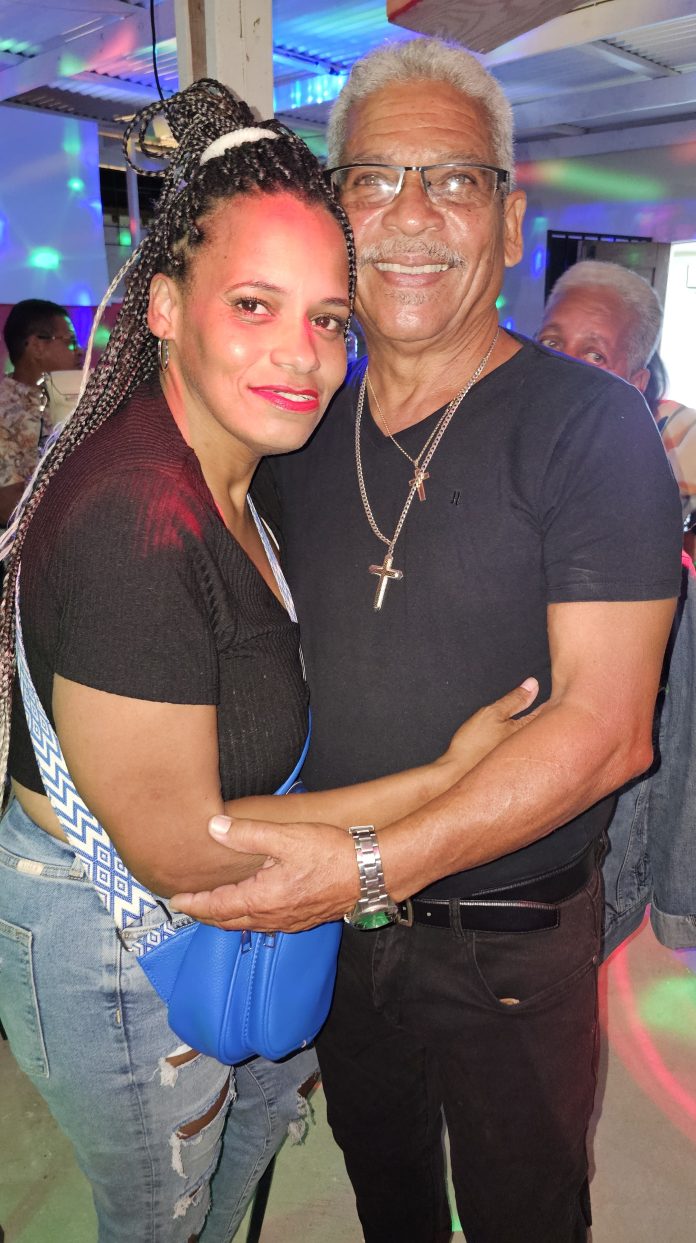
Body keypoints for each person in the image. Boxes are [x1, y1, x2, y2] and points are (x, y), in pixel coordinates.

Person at [0, 78, 540, 1243]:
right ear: (163, 306)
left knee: (237, 1176)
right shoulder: (136, 520)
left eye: (329, 318)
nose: (304, 354)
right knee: (164, 1217)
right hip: (123, 939)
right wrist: (447, 780)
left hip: (237, 916)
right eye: (255, 304)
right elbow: (186, 853)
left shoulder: (251, 472)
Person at [172, 39, 683, 1243]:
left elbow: (608, 730)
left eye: (453, 180)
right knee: (385, 1190)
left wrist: (368, 865)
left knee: (525, 1211)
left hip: (510, 933)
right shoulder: (297, 425)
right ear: (334, 213)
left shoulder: (589, 426)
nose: (409, 216)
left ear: (508, 223)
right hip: (338, 935)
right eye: (373, 178)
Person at [538, 260, 696, 532]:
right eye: (551, 343)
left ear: (636, 383)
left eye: (595, 356)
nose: (560, 367)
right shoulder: (499, 432)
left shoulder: (680, 438)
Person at [0, 299, 82, 524]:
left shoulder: (82, 398)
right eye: (71, 342)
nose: (79, 351)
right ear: (37, 346)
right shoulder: (5, 410)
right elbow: (6, 504)